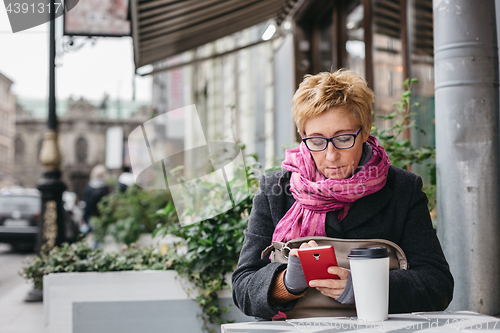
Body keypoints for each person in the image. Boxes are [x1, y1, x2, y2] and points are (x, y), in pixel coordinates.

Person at [231, 69, 454, 320]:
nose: (331, 155)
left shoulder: (402, 188)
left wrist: (363, 287)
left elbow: (438, 285)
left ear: (366, 132)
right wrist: (286, 283)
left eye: (344, 138)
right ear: (302, 136)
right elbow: (242, 286)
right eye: (316, 141)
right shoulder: (275, 190)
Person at [81, 164, 110, 235]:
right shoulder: (105, 188)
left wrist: (84, 218)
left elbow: (86, 204)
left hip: (91, 217)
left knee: (92, 236)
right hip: (102, 217)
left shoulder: (89, 187)